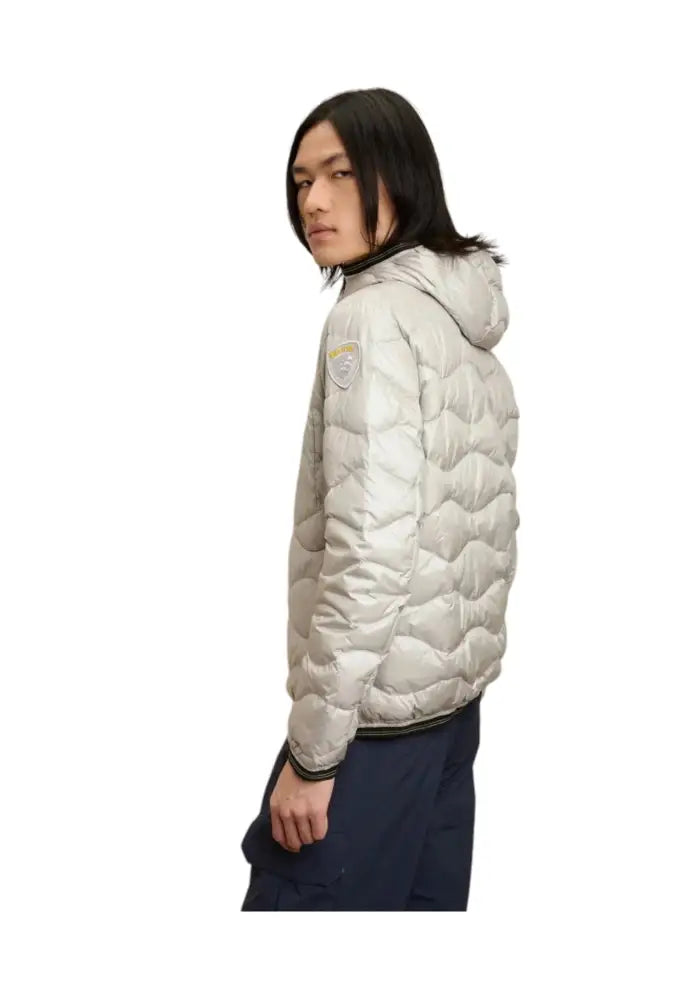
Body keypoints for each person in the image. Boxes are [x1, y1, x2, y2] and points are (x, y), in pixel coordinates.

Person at [239, 87, 520, 911]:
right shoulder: (459, 324)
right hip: (449, 720)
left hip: (371, 731)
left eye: (339, 173)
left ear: (400, 176)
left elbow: (373, 549)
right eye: (300, 181)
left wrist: (314, 755)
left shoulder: (370, 321)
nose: (312, 202)